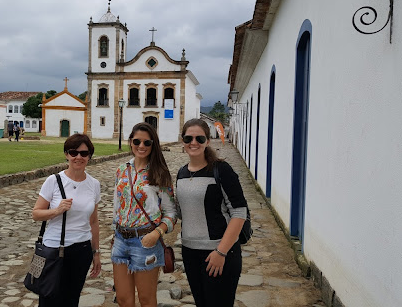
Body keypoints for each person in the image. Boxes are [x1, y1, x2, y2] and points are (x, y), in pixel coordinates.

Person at [175, 118, 248, 307]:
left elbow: (239, 213)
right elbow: (183, 212)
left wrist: (221, 252)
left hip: (218, 253)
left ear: (208, 141)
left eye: (199, 138)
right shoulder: (182, 173)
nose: (193, 143)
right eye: (188, 138)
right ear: (182, 141)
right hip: (190, 253)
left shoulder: (221, 170)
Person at [31, 133, 102, 307]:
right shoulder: (54, 181)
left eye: (84, 153)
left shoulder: (94, 184)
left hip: (81, 249)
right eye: (73, 152)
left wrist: (96, 252)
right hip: (54, 249)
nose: (78, 157)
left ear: (89, 156)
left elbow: (93, 222)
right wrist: (56, 210)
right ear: (66, 154)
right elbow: (36, 213)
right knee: (48, 299)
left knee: (71, 299)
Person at [111, 122, 176, 307]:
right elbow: (118, 206)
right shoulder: (122, 170)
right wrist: (114, 233)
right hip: (121, 240)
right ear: (130, 141)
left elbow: (171, 213)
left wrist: (156, 234)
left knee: (147, 300)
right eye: (137, 141)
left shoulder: (159, 173)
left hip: (146, 242)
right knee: (124, 299)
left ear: (153, 145)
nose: (141, 146)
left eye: (147, 143)